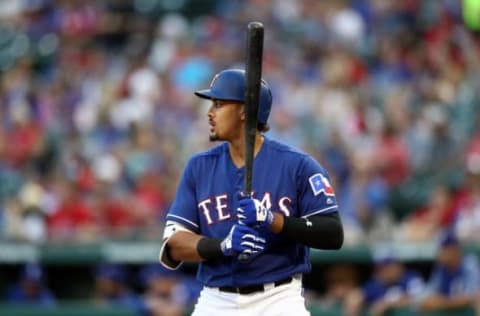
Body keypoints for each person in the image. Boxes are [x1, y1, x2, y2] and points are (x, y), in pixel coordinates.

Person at [159, 68, 344, 315]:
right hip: (216, 299)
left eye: (219, 104)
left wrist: (273, 220)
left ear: (245, 111)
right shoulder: (199, 166)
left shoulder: (297, 165)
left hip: (278, 299)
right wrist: (222, 245)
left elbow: (332, 233)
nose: (210, 114)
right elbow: (174, 245)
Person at [419, 231, 480, 313]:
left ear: (455, 249)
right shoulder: (441, 268)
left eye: (445, 249)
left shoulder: (469, 265)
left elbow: (472, 296)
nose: (441, 253)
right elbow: (428, 295)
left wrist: (443, 302)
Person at [345, 256, 425, 316]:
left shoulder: (411, 277)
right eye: (381, 268)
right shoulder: (378, 282)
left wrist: (388, 303)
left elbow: (419, 299)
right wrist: (354, 300)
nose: (385, 271)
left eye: (388, 267)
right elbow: (357, 296)